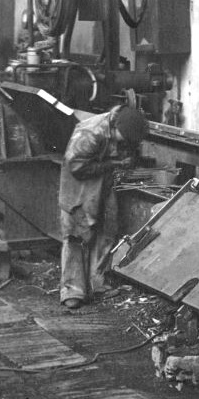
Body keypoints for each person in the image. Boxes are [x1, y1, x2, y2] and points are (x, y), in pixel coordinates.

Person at [58, 104, 148, 310]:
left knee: (107, 230)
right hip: (79, 187)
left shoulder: (123, 130)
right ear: (116, 127)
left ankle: (98, 283)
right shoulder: (90, 133)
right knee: (76, 236)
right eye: (124, 140)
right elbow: (76, 167)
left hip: (102, 184)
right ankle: (72, 291)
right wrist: (115, 164)